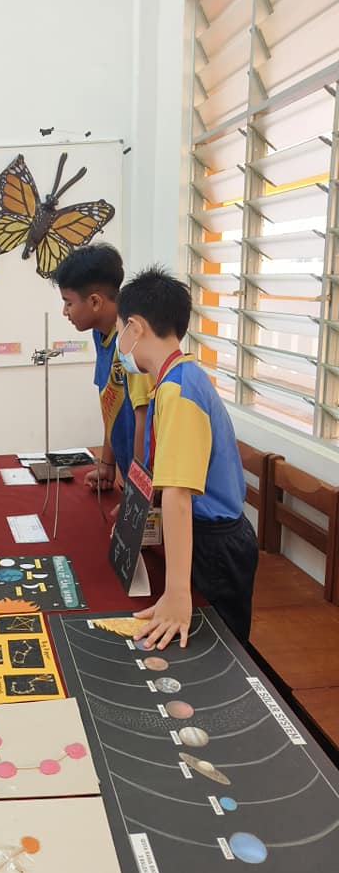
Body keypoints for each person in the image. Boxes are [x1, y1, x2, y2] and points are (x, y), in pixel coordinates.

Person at [115, 266, 258, 649]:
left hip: (215, 544)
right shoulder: (177, 378)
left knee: (216, 649)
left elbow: (179, 494)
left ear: (135, 327)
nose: (119, 342)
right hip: (206, 535)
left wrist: (177, 593)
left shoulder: (179, 389)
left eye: (120, 330)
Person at [53, 244, 151, 491]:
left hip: (147, 484)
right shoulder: (101, 333)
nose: (65, 312)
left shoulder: (132, 340)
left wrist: (136, 493)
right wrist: (107, 463)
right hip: (129, 475)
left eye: (68, 303)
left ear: (95, 302)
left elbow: (144, 420)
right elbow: (111, 400)